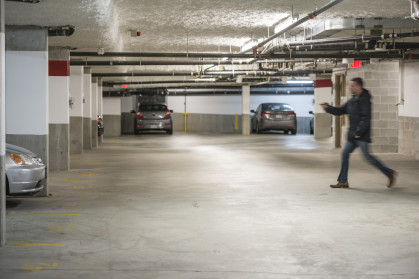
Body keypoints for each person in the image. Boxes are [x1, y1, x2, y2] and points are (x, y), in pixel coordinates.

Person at [321, 77, 397, 188]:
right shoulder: (352, 101)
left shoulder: (365, 100)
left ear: (359, 86)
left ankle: (389, 172)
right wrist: (328, 108)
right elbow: (340, 110)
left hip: (361, 136)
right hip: (353, 136)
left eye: (352, 86)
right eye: (350, 86)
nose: (350, 88)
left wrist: (359, 132)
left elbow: (366, 118)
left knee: (368, 157)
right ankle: (343, 181)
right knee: (345, 154)